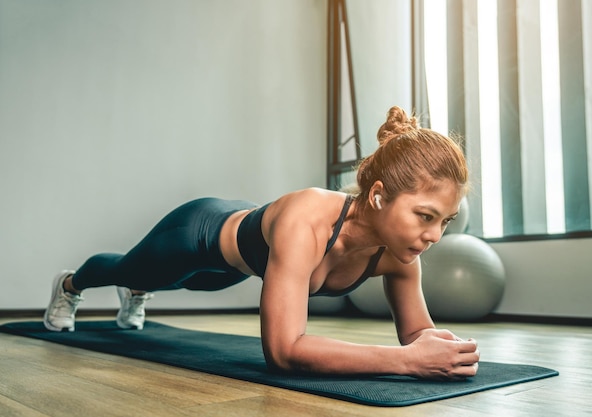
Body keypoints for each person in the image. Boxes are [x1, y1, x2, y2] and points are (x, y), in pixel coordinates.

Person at [44, 106, 479, 380]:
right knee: (129, 268)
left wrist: (439, 347)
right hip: (199, 233)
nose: (435, 236)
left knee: (196, 284)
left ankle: (137, 293)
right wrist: (405, 362)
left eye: (446, 221)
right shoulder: (307, 220)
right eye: (425, 216)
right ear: (380, 194)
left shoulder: (402, 255)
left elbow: (417, 334)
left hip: (237, 267)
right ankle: (71, 286)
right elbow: (284, 352)